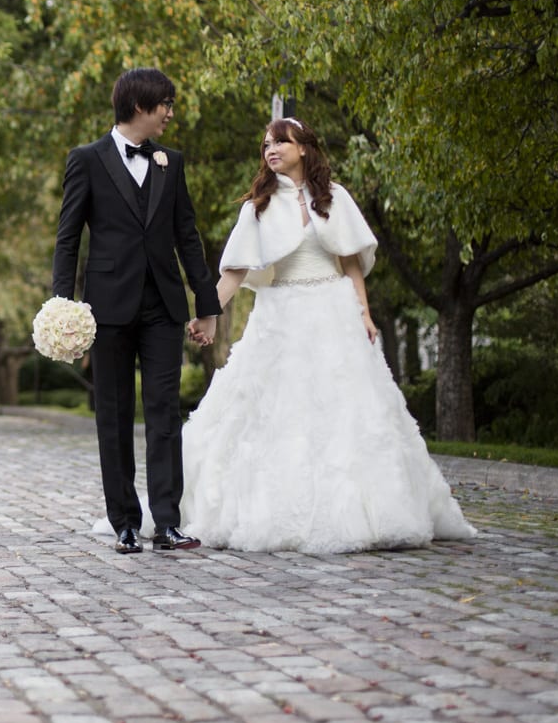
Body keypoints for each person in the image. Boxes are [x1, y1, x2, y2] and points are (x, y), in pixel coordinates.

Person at [178, 117, 476, 552]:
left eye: (281, 141)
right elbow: (235, 271)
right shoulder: (257, 207)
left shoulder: (334, 199)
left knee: (348, 413)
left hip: (333, 312)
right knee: (276, 414)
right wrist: (209, 314)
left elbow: (350, 262)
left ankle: (363, 510)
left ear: (304, 148)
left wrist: (365, 313)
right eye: (266, 144)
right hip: (280, 316)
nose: (271, 150)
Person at [53, 68, 222, 555]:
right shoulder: (86, 160)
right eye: (165, 104)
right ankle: (125, 522)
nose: (170, 113)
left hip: (163, 306)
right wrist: (63, 305)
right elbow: (68, 239)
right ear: (140, 106)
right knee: (115, 413)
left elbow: (186, 236)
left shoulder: (173, 163)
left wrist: (206, 305)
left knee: (166, 414)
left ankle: (167, 522)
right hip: (106, 308)